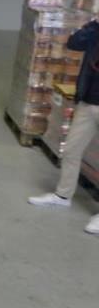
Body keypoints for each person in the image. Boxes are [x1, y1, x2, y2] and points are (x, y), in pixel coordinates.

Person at [28, 12, 99, 235]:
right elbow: (74, 42)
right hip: (88, 101)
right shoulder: (95, 30)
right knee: (70, 150)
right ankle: (62, 195)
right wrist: (95, 23)